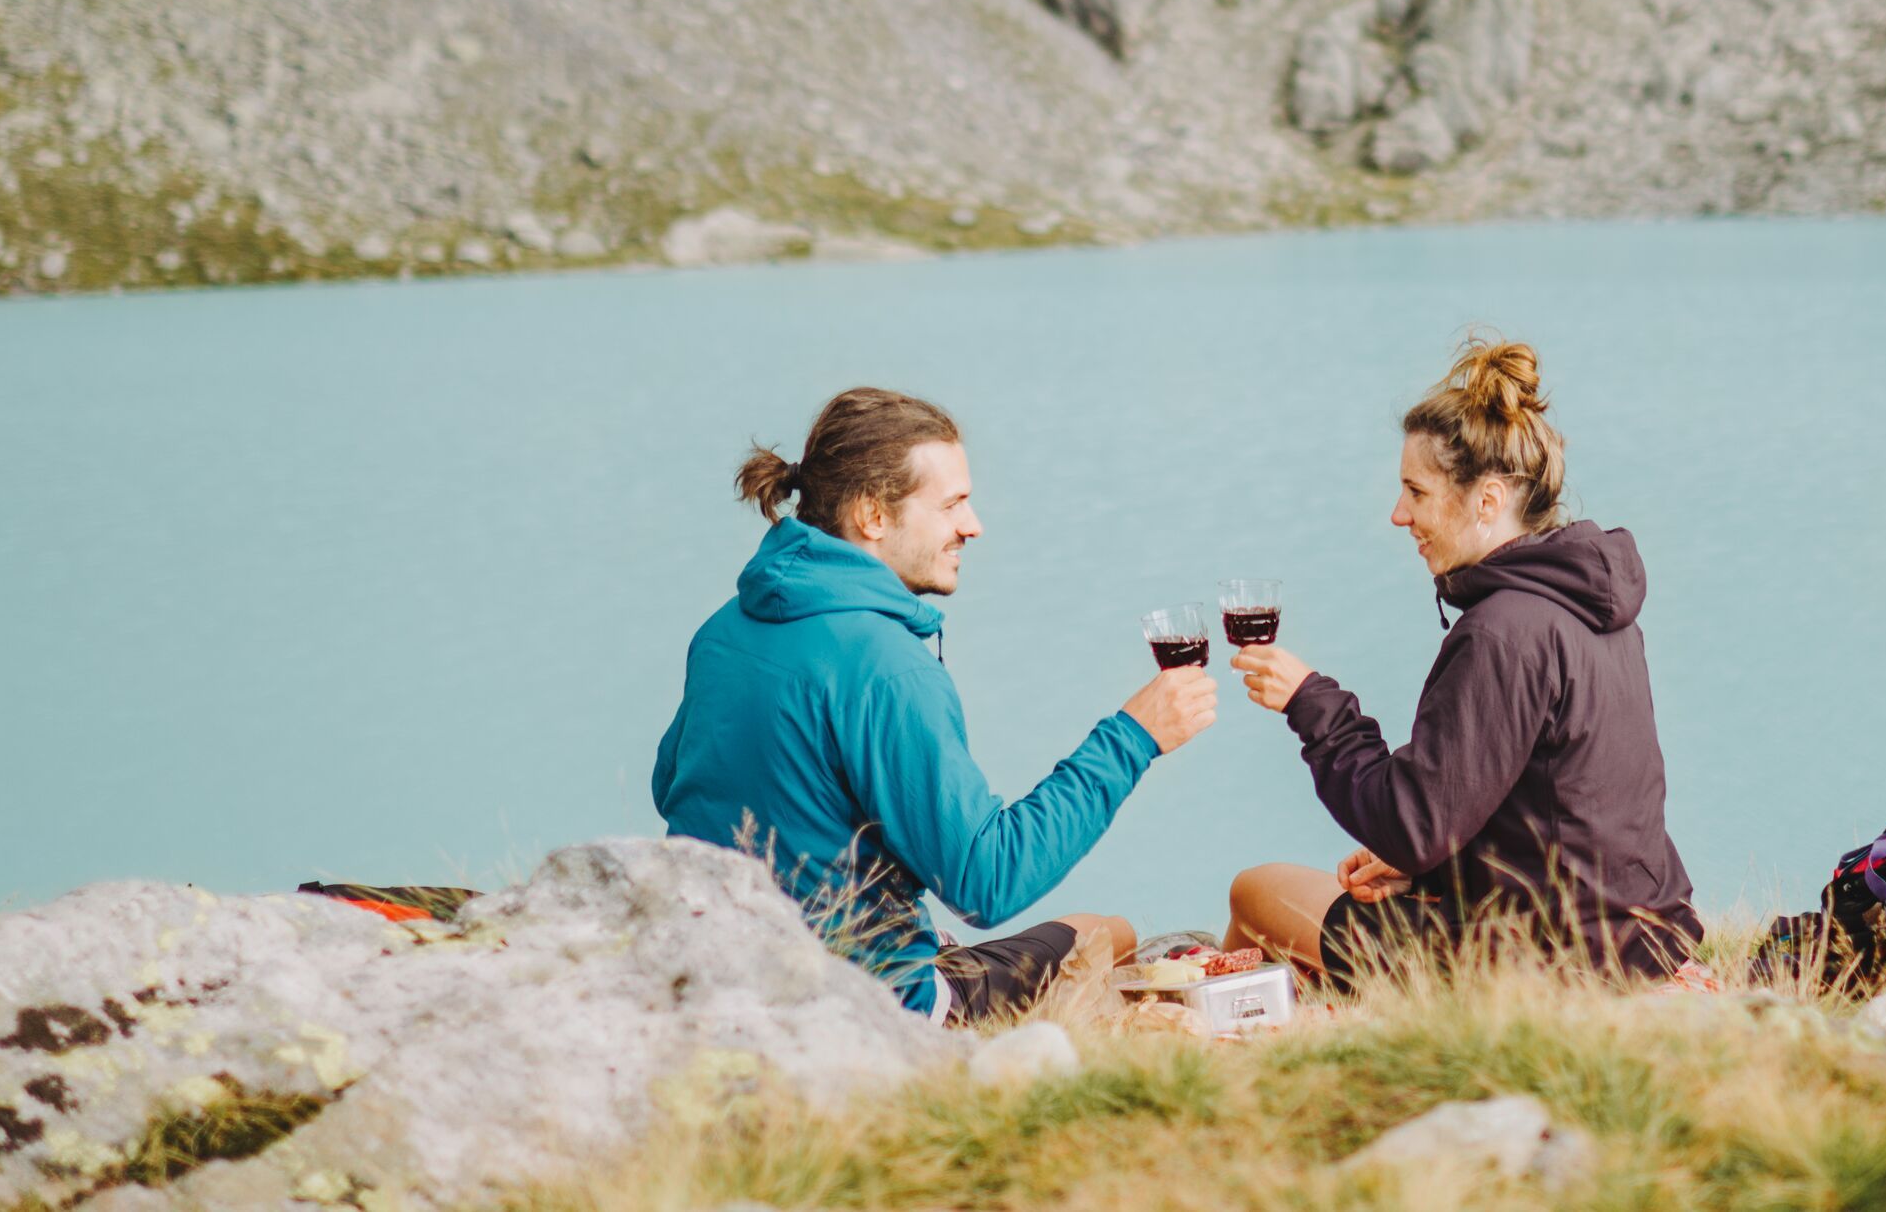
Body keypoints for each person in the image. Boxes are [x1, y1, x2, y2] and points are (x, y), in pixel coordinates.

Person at [653, 386, 1214, 1023]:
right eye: (952, 504)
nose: (972, 525)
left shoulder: (724, 629)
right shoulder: (886, 667)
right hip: (869, 1007)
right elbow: (986, 882)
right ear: (873, 516)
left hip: (717, 973)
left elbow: (673, 784)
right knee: (1105, 932)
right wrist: (1134, 737)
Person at [1223, 338, 1701, 983]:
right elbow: (1558, 807)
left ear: (1487, 499)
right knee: (1369, 894)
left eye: (1415, 492)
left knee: (1256, 892)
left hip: (1554, 961)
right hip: (1643, 929)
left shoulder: (1503, 633)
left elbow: (1410, 824)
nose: (1399, 515)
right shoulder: (1594, 606)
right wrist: (1438, 867)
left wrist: (1313, 703)